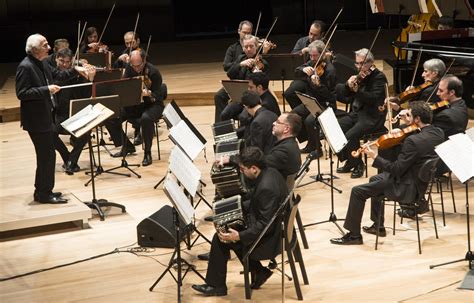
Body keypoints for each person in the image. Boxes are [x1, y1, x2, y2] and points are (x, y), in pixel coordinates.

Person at [330, 102, 445, 245]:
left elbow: (396, 169)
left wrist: (374, 157)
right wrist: (406, 124)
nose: (406, 117)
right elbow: (419, 143)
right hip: (420, 183)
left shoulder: (412, 141)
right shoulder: (438, 133)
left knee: (357, 191)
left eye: (409, 115)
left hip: (406, 187)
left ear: (417, 119)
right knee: (374, 179)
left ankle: (354, 236)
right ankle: (378, 226)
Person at [192, 146, 288, 296]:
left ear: (254, 169)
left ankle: (217, 286)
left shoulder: (266, 188)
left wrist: (239, 236)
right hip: (272, 226)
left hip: (271, 238)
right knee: (226, 230)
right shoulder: (270, 171)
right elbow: (259, 205)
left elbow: (264, 226)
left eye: (243, 169)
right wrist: (232, 209)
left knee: (221, 238)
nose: (241, 171)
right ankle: (259, 271)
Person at [15, 34, 86, 204]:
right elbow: (22, 93)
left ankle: (43, 191)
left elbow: (59, 76)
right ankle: (44, 193)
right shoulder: (25, 67)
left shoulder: (43, 63)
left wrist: (75, 70)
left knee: (47, 156)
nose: (49, 47)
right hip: (36, 120)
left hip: (45, 117)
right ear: (34, 50)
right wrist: (46, 89)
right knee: (46, 156)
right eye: (45, 45)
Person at [335, 48, 387, 178]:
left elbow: (373, 99)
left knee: (350, 135)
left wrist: (358, 90)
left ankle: (358, 164)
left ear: (371, 63)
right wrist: (347, 85)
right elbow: (343, 95)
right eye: (357, 63)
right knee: (336, 129)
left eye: (361, 64)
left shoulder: (379, 77)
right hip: (357, 113)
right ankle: (351, 160)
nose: (358, 67)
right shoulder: (359, 76)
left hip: (372, 115)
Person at [107, 49, 164, 166]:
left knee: (146, 119)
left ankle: (147, 152)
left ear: (144, 61)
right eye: (133, 65)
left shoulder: (153, 72)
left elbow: (160, 94)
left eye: (139, 65)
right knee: (110, 117)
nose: (136, 68)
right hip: (135, 104)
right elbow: (124, 85)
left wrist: (149, 94)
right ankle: (127, 146)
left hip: (152, 105)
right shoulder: (129, 68)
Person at [290, 40, 337, 155]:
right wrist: (303, 69)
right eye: (310, 55)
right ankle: (310, 143)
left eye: (314, 55)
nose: (312, 58)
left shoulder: (330, 70)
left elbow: (329, 95)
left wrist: (318, 85)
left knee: (310, 121)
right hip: (311, 101)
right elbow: (296, 72)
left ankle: (317, 149)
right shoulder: (312, 63)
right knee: (293, 116)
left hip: (325, 104)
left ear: (322, 54)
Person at [52, 48, 93, 175]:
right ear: (56, 59)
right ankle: (68, 157)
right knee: (49, 133)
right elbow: (60, 80)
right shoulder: (53, 74)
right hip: (60, 115)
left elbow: (86, 95)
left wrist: (90, 79)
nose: (64, 64)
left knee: (86, 131)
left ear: (71, 62)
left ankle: (71, 161)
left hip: (76, 115)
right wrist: (74, 70)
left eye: (67, 62)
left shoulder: (77, 75)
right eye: (61, 61)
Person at [215, 34, 269, 123]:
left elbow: (262, 81)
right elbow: (230, 74)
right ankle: (222, 130)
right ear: (243, 48)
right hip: (239, 95)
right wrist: (240, 64)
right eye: (246, 47)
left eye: (251, 46)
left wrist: (255, 70)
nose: (248, 49)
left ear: (256, 47)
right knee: (224, 113)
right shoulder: (241, 58)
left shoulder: (262, 62)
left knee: (243, 117)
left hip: (253, 97)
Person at [284, 20, 327, 110]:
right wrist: (302, 51)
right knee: (288, 93)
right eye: (310, 33)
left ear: (322, 35)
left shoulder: (324, 45)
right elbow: (292, 57)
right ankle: (301, 112)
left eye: (315, 35)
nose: (311, 37)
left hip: (317, 79)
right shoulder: (302, 41)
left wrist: (324, 55)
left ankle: (307, 110)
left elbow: (328, 64)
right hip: (303, 77)